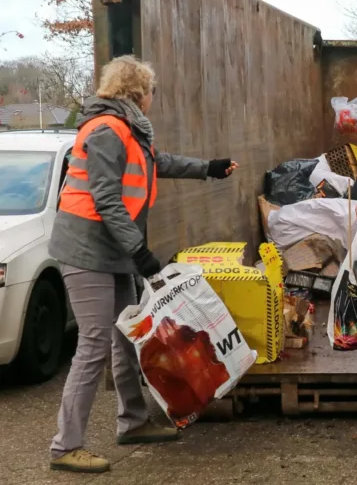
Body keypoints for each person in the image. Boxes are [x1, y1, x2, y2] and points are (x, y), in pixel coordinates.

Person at [48, 55, 238, 474]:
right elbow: (107, 199)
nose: (154, 98)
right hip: (86, 251)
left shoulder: (129, 130)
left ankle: (132, 423)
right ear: (139, 93)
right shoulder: (106, 130)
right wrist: (141, 252)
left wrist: (208, 168)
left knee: (126, 338)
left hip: (110, 251)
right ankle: (65, 446)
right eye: (153, 91)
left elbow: (158, 162)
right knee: (95, 342)